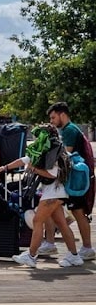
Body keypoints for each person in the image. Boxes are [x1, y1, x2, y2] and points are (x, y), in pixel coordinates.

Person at [0, 124, 85, 268]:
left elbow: (52, 174)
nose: (36, 138)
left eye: (39, 135)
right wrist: (4, 168)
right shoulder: (48, 148)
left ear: (46, 135)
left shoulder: (53, 151)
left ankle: (31, 256)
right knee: (62, 224)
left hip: (54, 192)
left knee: (38, 221)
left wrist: (34, 169)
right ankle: (74, 256)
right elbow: (25, 159)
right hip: (56, 193)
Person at [48, 102, 95, 260]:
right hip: (77, 178)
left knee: (78, 212)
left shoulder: (68, 130)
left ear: (62, 114)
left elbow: (64, 155)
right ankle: (51, 242)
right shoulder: (71, 129)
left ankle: (87, 247)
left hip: (76, 179)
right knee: (71, 211)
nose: (52, 121)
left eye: (53, 117)